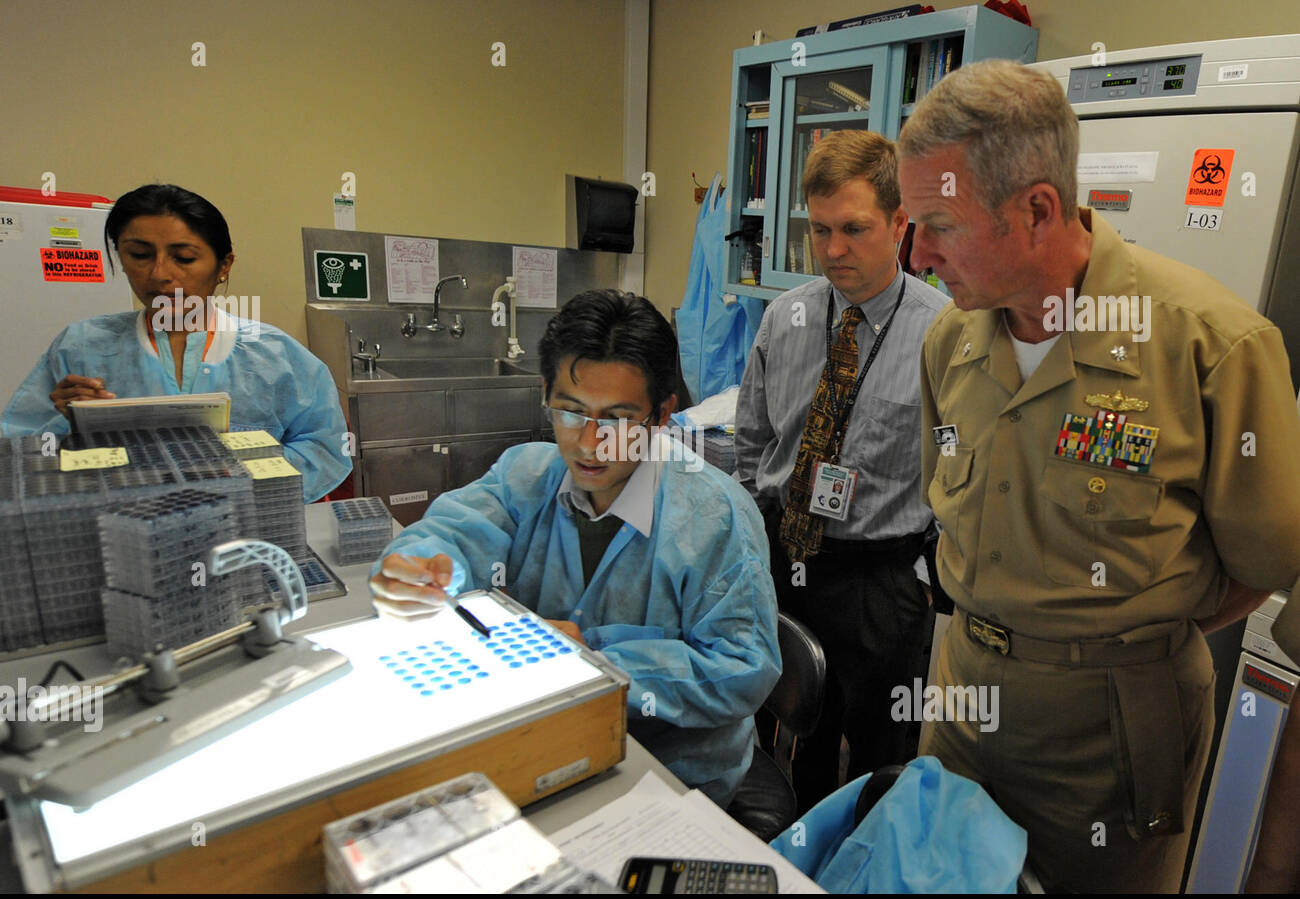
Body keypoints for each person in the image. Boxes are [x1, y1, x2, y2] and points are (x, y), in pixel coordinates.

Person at [897, 59, 1300, 892]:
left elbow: (1263, 568)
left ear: (1037, 210)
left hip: (1109, 732)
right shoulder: (952, 341)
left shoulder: (1210, 345)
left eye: (939, 222)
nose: (916, 252)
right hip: (963, 696)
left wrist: (1120, 641)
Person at [369, 289, 782, 806]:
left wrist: (596, 657)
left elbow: (743, 670)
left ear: (661, 415)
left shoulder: (716, 519)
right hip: (542, 747)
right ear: (545, 393)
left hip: (665, 776)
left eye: (615, 420)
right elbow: (452, 534)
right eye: (570, 411)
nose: (588, 444)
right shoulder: (524, 475)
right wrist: (421, 571)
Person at [735, 130, 948, 812]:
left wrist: (922, 578)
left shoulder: (946, 334)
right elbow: (752, 439)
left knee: (875, 757)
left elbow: (962, 471)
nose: (832, 250)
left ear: (899, 225)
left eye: (854, 229)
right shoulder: (785, 318)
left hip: (878, 583)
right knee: (778, 728)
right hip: (782, 560)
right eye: (819, 229)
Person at [1, 184, 351, 502]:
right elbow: (18, 451)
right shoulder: (81, 347)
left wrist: (238, 474)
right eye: (139, 254)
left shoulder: (275, 354)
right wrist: (66, 423)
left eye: (183, 258)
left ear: (223, 265)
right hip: (120, 534)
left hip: (246, 533)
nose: (159, 274)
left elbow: (324, 447)